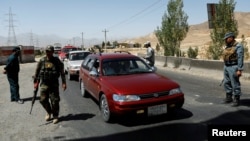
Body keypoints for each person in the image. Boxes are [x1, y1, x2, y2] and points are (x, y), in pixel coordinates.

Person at [33, 45, 67, 124]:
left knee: (55, 100)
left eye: (49, 51)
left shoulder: (57, 61)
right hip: (44, 83)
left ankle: (55, 115)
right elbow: (37, 72)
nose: (48, 53)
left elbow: (62, 73)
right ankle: (49, 112)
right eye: (46, 51)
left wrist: (64, 83)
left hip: (54, 84)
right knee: (42, 100)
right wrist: (35, 83)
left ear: (52, 52)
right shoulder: (42, 61)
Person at [222, 32, 244, 107]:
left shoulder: (238, 46)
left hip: (234, 66)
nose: (225, 40)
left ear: (231, 38)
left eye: (227, 38)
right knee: (226, 82)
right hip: (226, 66)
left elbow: (240, 58)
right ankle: (229, 97)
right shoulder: (227, 46)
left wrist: (239, 69)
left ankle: (236, 99)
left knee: (235, 83)